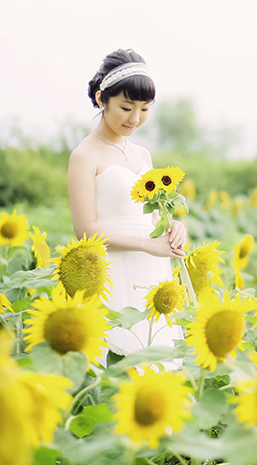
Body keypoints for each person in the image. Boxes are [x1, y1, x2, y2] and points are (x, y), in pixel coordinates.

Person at [67, 48, 187, 357]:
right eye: (125, 107)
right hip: (111, 270)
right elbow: (85, 230)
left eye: (145, 109)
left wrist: (173, 229)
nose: (135, 118)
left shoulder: (142, 155)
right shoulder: (84, 156)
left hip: (152, 267)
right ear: (100, 99)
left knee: (156, 357)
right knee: (119, 359)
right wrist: (148, 245)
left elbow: (148, 218)